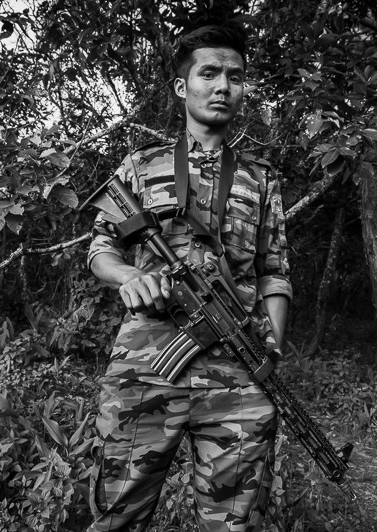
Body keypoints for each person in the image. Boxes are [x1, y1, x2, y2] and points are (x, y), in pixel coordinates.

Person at [86, 23, 292, 532]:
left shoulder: (261, 178)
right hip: (146, 364)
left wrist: (270, 347)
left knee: (232, 524)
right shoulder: (142, 165)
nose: (223, 86)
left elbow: (274, 271)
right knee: (116, 516)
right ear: (183, 86)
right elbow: (101, 248)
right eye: (210, 73)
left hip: (239, 370)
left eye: (235, 77)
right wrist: (129, 276)